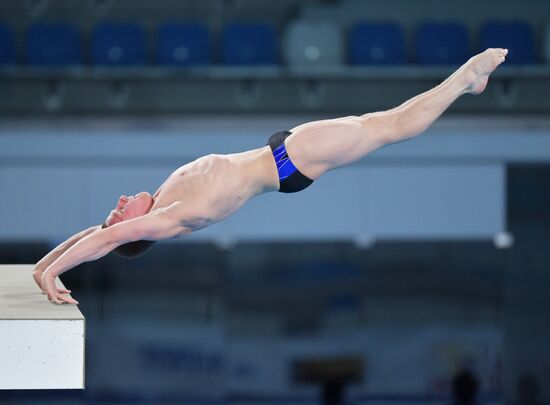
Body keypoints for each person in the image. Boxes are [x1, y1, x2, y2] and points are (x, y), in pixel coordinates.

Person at [32, 48, 508, 304]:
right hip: (289, 162)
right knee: (388, 126)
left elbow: (96, 235)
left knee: (381, 124)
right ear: (130, 231)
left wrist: (41, 268)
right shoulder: (166, 219)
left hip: (280, 153)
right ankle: (468, 78)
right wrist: (57, 272)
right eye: (119, 214)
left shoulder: (159, 201)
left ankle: (464, 80)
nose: (119, 202)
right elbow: (103, 241)